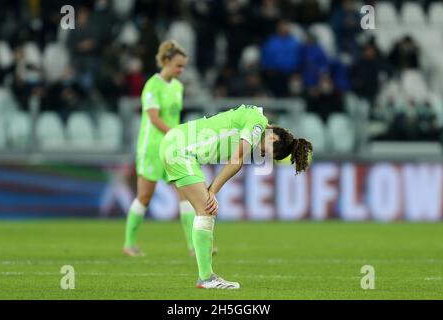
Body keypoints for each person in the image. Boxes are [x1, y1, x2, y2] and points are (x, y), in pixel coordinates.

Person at [159, 105, 313, 289]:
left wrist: (211, 190)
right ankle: (206, 278)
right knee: (206, 211)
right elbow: (236, 158)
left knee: (202, 209)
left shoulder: (254, 118)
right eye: (267, 152)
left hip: (176, 143)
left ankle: (205, 276)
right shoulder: (257, 123)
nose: (262, 154)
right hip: (180, 150)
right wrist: (212, 191)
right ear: (272, 138)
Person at [123, 40, 196, 257]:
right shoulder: (152, 86)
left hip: (171, 148)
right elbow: (154, 118)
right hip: (152, 147)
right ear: (165, 61)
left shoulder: (178, 87)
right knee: (144, 196)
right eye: (178, 66)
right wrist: (175, 134)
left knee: (185, 193)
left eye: (183, 67)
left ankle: (194, 246)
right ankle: (129, 243)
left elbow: (173, 117)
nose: (181, 70)